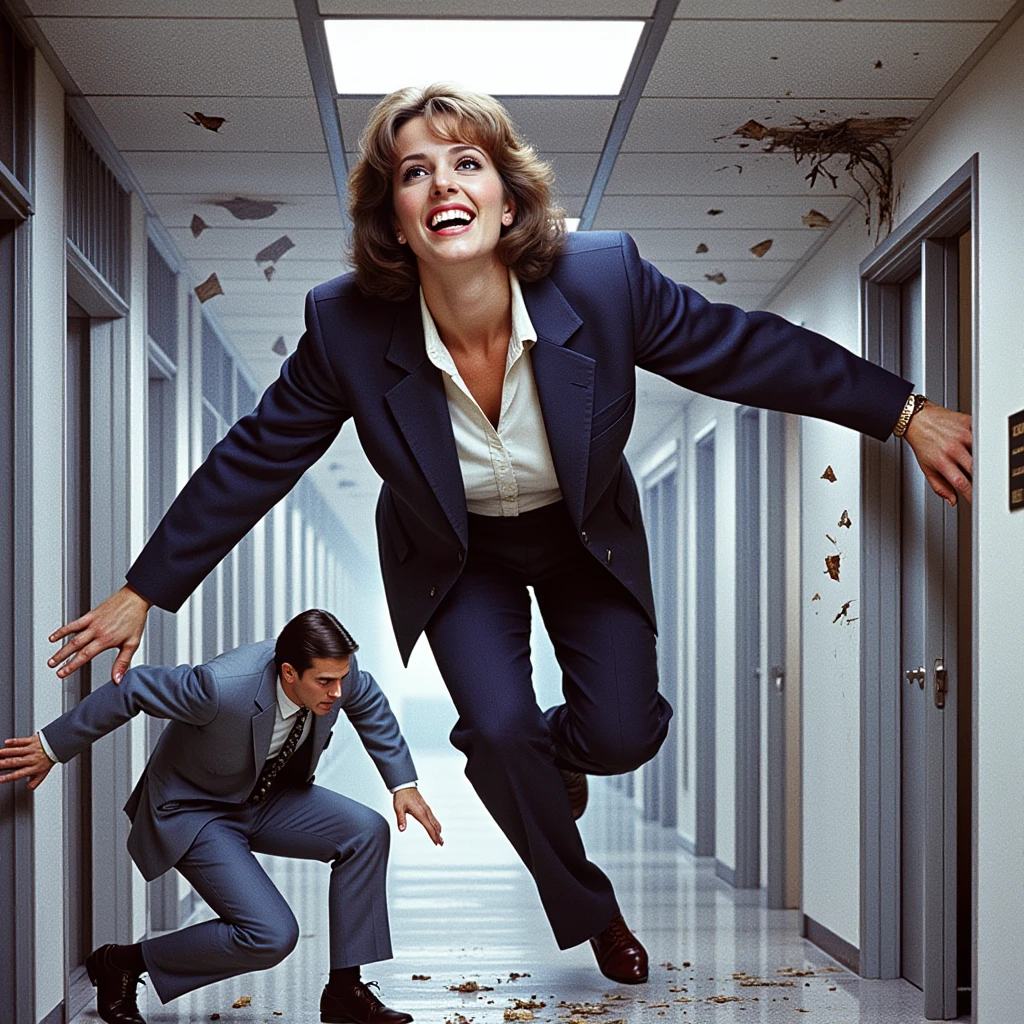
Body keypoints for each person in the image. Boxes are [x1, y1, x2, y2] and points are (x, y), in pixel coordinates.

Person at [46, 84, 972, 985]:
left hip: (581, 537)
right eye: (416, 172)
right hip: (457, 556)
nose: (445, 184)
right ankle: (589, 904)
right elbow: (258, 455)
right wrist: (144, 589)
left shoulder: (601, 279)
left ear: (506, 193)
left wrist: (905, 410)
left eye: (468, 163)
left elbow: (743, 348)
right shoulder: (346, 323)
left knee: (621, 734)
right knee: (495, 725)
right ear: (394, 217)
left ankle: (546, 753)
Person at [5, 609, 442, 1024]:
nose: (338, 693)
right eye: (326, 682)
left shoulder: (340, 676)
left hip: (266, 797)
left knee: (366, 831)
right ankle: (120, 963)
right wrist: (50, 747)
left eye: (343, 679)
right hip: (196, 809)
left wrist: (403, 784)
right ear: (288, 672)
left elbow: (368, 703)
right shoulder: (219, 686)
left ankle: (345, 989)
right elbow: (133, 687)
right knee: (271, 935)